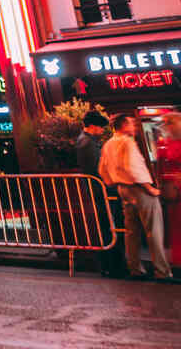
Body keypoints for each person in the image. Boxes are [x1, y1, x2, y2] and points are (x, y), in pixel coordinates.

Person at [99, 114, 175, 282]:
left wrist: (114, 182)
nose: (134, 127)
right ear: (124, 125)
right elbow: (133, 168)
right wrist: (149, 188)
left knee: (131, 231)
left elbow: (102, 169)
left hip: (122, 189)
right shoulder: (127, 142)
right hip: (139, 188)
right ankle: (162, 272)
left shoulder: (108, 144)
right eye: (132, 124)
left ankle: (135, 269)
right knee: (153, 230)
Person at [75, 111, 116, 276]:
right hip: (99, 190)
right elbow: (96, 169)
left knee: (105, 226)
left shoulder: (86, 140)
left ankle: (108, 264)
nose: (102, 130)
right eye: (100, 127)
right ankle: (110, 265)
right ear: (92, 126)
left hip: (96, 189)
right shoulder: (87, 142)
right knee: (106, 226)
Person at [158, 112, 181, 268]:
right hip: (173, 188)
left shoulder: (168, 143)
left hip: (174, 186)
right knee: (175, 224)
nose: (165, 126)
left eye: (167, 123)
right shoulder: (166, 142)